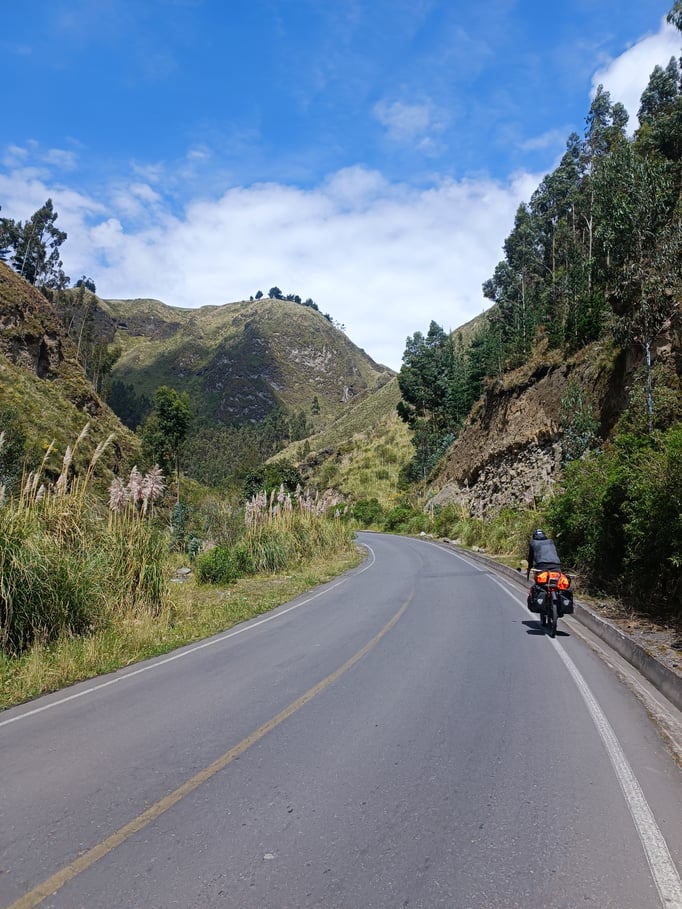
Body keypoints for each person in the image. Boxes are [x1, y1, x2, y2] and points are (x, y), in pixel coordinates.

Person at [526, 529, 573, 614]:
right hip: (556, 565)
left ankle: (542, 603)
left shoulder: (533, 543)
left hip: (542, 566)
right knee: (557, 583)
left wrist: (529, 568)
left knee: (540, 584)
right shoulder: (551, 541)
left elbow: (530, 558)